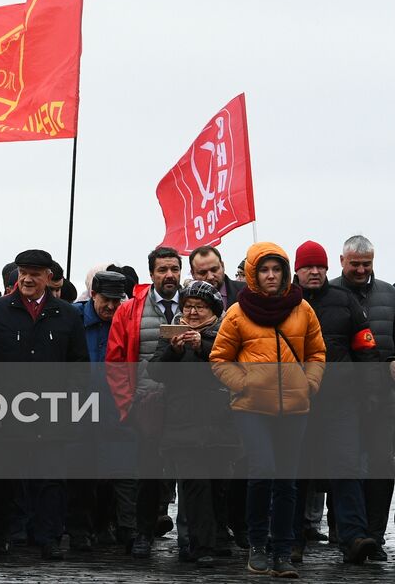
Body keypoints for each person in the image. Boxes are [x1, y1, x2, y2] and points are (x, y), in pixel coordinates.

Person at [209, 242, 325, 578]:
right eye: (264, 269)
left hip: (294, 406)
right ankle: (258, 545)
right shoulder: (237, 312)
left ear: (286, 272)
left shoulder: (302, 309)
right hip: (251, 407)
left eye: (276, 269)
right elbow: (219, 358)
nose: (271, 275)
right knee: (262, 471)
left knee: (287, 482)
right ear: (253, 274)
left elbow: (317, 353)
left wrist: (310, 384)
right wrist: (243, 383)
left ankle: (283, 550)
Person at [0, 249, 89, 560]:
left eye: (35, 273)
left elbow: (79, 365)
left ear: (49, 277)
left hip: (51, 411)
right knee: (6, 478)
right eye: (24, 271)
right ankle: (6, 534)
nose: (28, 278)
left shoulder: (67, 315)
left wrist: (69, 399)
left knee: (51, 480)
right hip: (6, 411)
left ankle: (48, 538)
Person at [292, 240, 382, 564]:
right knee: (296, 472)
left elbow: (366, 350)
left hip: (341, 405)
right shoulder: (284, 303)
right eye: (308, 267)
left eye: (320, 267)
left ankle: (354, 538)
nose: (315, 272)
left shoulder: (345, 302)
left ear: (328, 269)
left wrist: (370, 392)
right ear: (297, 270)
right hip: (295, 403)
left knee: (346, 468)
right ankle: (292, 542)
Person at [106, 245, 185, 558]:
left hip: (182, 403)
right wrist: (128, 404)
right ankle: (143, 533)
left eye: (174, 269)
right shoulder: (130, 309)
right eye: (163, 270)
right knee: (148, 473)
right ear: (151, 273)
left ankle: (192, 536)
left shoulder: (194, 305)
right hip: (145, 403)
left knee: (188, 472)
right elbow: (114, 359)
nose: (169, 275)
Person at [150, 281, 235, 567]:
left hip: (220, 422)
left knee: (218, 486)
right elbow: (155, 371)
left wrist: (203, 348)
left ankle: (218, 539)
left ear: (212, 309)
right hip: (182, 424)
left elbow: (232, 368)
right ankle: (201, 546)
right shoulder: (171, 332)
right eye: (188, 306)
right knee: (194, 483)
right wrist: (173, 351)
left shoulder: (225, 333)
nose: (193, 312)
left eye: (200, 307)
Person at [328, 234, 393, 555]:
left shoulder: (389, 295)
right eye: (355, 264)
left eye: (366, 264)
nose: (361, 269)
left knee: (382, 464)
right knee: (346, 463)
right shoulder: (329, 295)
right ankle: (344, 532)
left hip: (384, 394)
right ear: (342, 261)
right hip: (343, 395)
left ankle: (375, 536)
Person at [68, 269, 129, 551]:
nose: (111, 307)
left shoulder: (125, 319)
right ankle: (79, 529)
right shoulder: (73, 318)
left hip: (115, 405)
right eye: (106, 300)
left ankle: (105, 525)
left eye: (117, 301)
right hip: (79, 404)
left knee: (111, 469)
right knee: (80, 470)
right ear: (93, 295)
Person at [189, 246, 244, 310]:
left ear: (222, 266)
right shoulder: (186, 301)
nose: (210, 277)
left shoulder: (245, 292)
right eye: (203, 273)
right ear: (193, 274)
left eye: (214, 270)